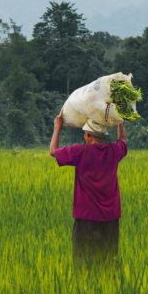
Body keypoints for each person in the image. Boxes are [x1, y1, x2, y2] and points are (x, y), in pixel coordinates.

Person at [49, 112, 127, 265]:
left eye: (85, 134)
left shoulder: (80, 151)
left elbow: (53, 152)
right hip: (110, 218)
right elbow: (123, 140)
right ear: (103, 136)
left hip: (86, 218)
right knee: (108, 262)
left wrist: (57, 127)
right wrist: (120, 123)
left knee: (83, 263)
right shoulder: (113, 151)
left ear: (88, 136)